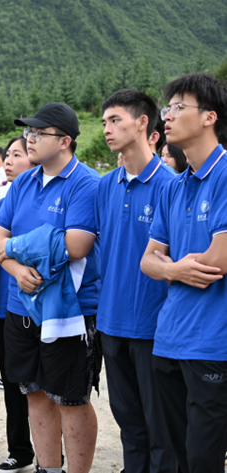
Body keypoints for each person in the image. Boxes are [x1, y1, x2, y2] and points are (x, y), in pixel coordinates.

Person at [0, 102, 100, 473]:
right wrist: (16, 269)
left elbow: (76, 245)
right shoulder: (23, 182)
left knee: (70, 398)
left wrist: (15, 247)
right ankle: (48, 468)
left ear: (65, 141)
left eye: (39, 133)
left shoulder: (85, 183)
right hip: (20, 306)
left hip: (68, 310)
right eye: (29, 132)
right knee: (34, 392)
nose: (30, 139)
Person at [140, 72, 227, 473]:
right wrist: (176, 268)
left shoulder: (224, 174)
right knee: (178, 455)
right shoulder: (174, 186)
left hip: (212, 343)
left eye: (178, 107)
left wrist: (167, 267)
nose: (168, 115)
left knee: (204, 457)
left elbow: (219, 260)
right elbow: (148, 260)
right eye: (167, 107)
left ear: (209, 117)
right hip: (170, 337)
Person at [97, 89, 177, 473]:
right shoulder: (104, 186)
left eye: (115, 120)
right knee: (128, 424)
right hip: (110, 320)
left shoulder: (171, 185)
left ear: (144, 123)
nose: (107, 129)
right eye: (104, 122)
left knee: (162, 429)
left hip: (154, 324)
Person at [0, 136, 37, 473]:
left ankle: (52, 454)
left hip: (38, 302)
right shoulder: (4, 199)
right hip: (5, 303)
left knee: (46, 386)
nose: (8, 160)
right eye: (7, 155)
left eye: (17, 154)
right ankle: (20, 449)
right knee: (12, 381)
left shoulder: (43, 199)